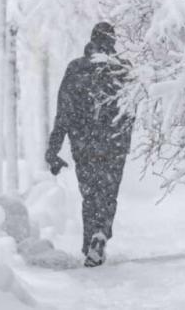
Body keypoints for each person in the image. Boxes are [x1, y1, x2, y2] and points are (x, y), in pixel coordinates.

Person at [45, 22, 135, 267]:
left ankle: (90, 244)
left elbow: (63, 113)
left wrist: (53, 150)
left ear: (91, 40)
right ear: (113, 41)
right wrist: (122, 137)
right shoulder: (123, 69)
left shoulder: (75, 68)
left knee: (90, 196)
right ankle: (101, 234)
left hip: (83, 144)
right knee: (108, 195)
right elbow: (132, 109)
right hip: (114, 145)